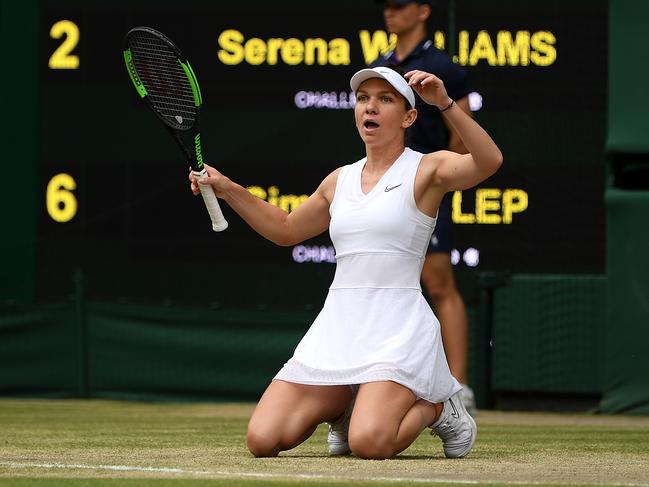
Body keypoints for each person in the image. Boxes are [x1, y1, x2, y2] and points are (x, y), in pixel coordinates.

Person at [190, 67, 502, 459]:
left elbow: (489, 161)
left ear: (409, 117)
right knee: (263, 439)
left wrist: (443, 102)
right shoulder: (340, 180)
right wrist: (227, 188)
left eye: (385, 99)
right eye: (363, 98)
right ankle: (343, 406)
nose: (370, 106)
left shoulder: (428, 169)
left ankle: (439, 404)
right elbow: (286, 229)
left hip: (398, 330)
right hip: (339, 326)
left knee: (369, 443)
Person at [370, 0, 476, 413]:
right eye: (386, 6)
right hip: (382, 193)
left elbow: (462, 139)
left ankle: (459, 387)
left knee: (438, 284)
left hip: (424, 191)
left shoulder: (441, 66)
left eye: (399, 5)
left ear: (423, 10)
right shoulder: (380, 64)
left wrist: (434, 181)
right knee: (383, 284)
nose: (389, 12)